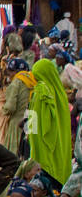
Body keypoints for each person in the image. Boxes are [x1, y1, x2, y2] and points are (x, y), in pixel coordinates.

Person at [27, 57, 71, 189]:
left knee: (45, 165)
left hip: (42, 140)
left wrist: (28, 134)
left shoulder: (40, 91)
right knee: (58, 159)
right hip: (60, 138)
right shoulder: (60, 92)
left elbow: (33, 117)